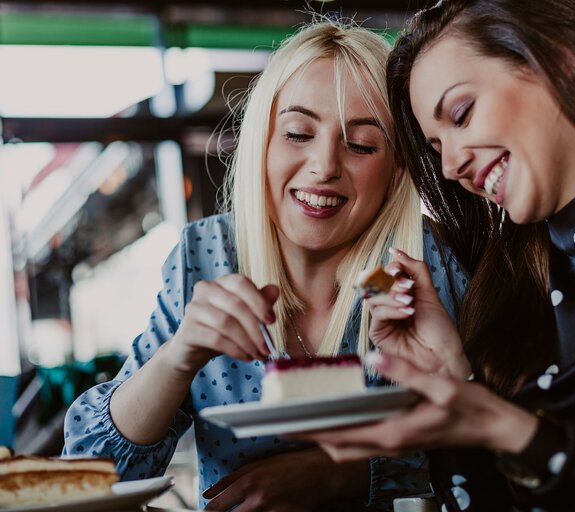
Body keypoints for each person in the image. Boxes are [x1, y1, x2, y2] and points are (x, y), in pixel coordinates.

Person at [62, 19, 469, 512]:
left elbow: (492, 454)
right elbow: (93, 469)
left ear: (398, 166)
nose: (324, 166)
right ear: (262, 143)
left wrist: (343, 475)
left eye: (361, 144)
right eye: (298, 133)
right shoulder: (206, 256)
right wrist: (179, 357)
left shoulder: (422, 269)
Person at [299, 1, 575, 511]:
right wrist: (454, 378)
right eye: (435, 148)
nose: (453, 164)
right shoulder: (513, 280)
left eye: (461, 114)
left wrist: (503, 427)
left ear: (562, 60)